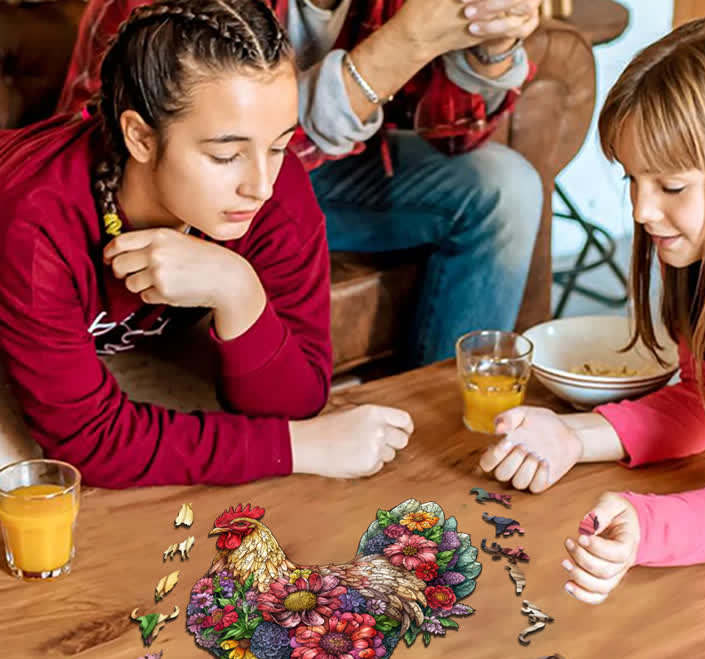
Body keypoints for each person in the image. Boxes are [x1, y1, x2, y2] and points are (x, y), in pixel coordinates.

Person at [0, 0, 413, 488]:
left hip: (81, 338)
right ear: (140, 137)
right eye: (226, 155)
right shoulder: (36, 222)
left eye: (278, 146)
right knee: (25, 483)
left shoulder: (274, 188)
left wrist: (238, 290)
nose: (260, 184)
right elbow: (92, 444)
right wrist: (302, 447)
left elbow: (298, 399)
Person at [480, 14, 705, 604]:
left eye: (671, 187)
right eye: (632, 179)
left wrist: (644, 526)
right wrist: (573, 436)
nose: (640, 210)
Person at [56, 0, 544, 366]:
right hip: (175, 188)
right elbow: (111, 153)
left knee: (505, 187)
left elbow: (456, 139)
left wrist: (490, 48)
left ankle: (448, 414)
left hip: (323, 170)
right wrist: (402, 45)